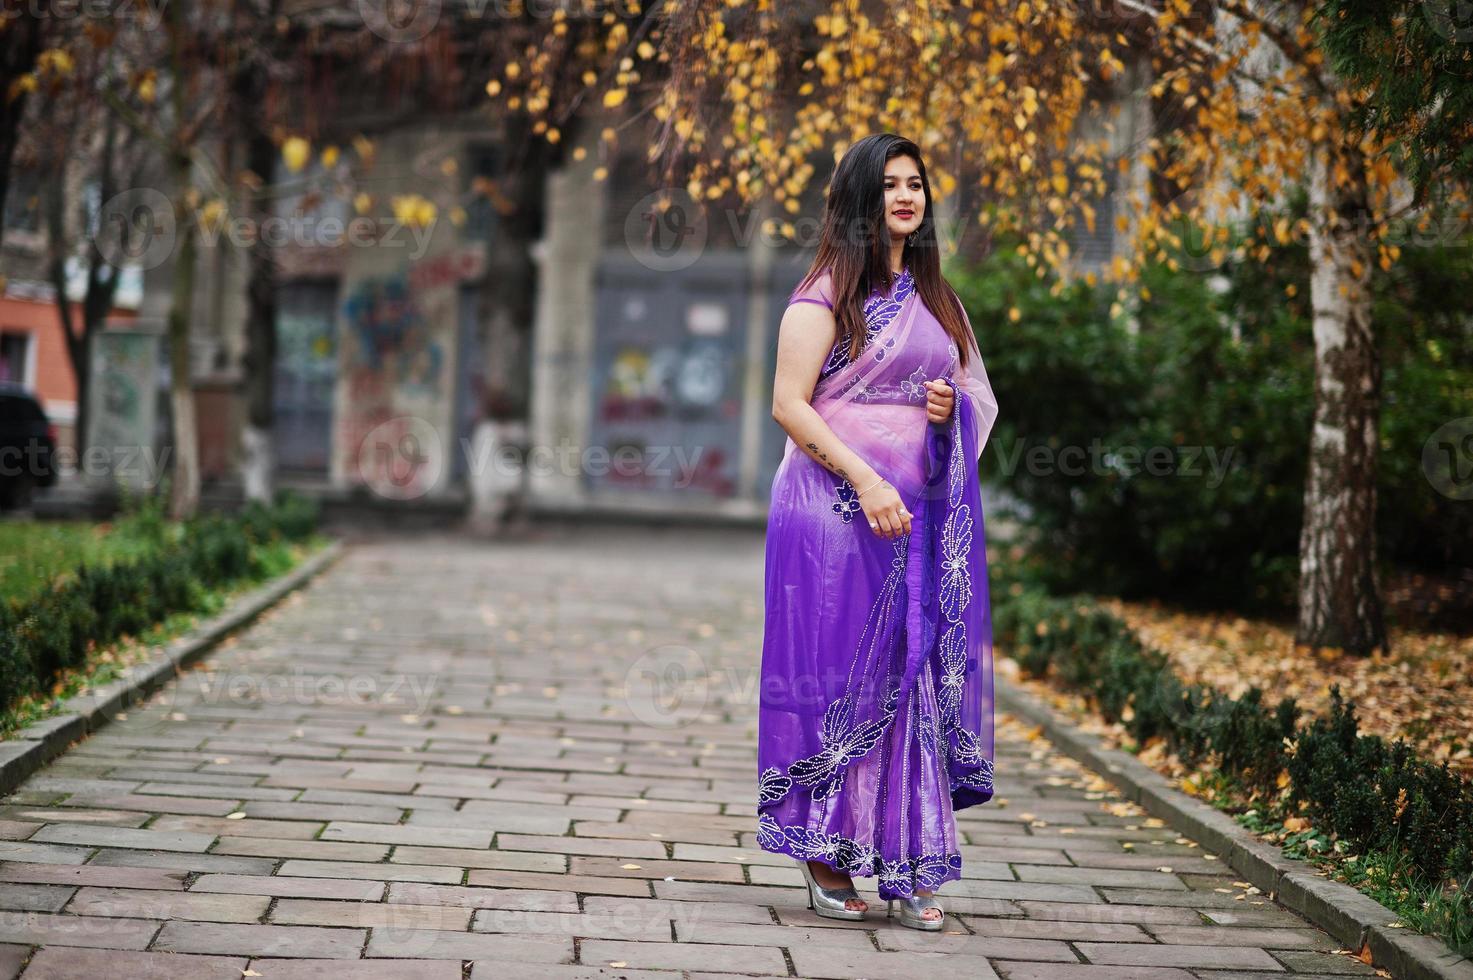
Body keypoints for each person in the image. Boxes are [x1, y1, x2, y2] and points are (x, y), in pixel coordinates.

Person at [757, 133, 1000, 931]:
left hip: (915, 514)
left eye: (915, 184)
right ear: (860, 200)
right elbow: (789, 405)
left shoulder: (937, 299)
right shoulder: (825, 291)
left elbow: (970, 397)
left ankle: (907, 856)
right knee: (834, 677)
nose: (904, 196)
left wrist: (944, 414)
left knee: (911, 672)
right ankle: (825, 855)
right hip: (828, 511)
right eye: (888, 185)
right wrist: (863, 480)